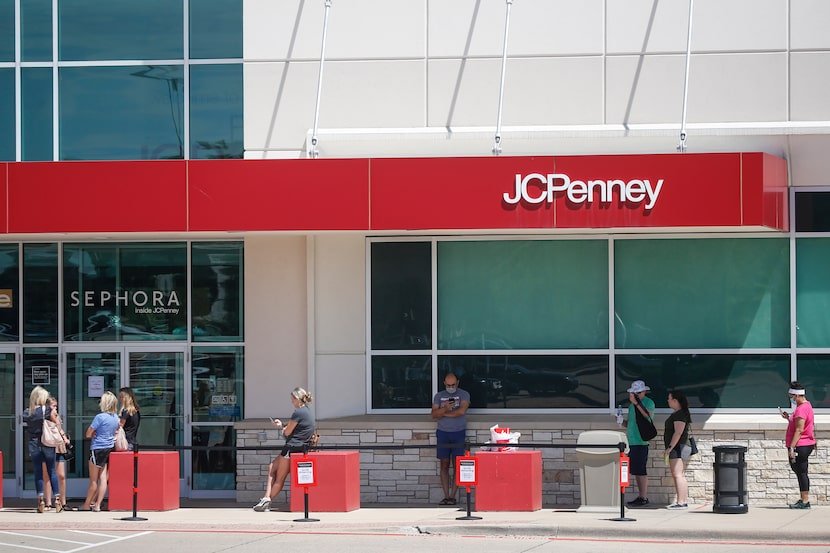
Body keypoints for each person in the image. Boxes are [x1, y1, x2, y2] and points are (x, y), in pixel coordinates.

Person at [253, 387, 316, 512]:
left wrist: (282, 429)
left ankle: (267, 500)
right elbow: (294, 428)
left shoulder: (298, 413)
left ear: (297, 399)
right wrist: (281, 425)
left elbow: (287, 432)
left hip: (291, 448)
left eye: (292, 399)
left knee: (279, 478)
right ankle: (266, 498)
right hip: (296, 447)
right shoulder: (306, 412)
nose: (291, 401)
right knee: (272, 467)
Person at [431, 372, 470, 506]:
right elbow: (434, 415)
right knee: (444, 464)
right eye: (448, 385)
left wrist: (443, 413)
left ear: (457, 383)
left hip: (458, 432)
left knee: (457, 464)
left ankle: (453, 496)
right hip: (443, 433)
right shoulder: (439, 396)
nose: (451, 387)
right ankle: (446, 496)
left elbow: (461, 412)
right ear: (444, 384)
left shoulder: (464, 394)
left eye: (453, 385)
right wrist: (446, 408)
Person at [80, 391, 120, 512]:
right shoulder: (115, 418)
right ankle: (97, 505)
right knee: (103, 478)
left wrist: (94, 434)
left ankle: (87, 505)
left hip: (97, 448)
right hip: (109, 448)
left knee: (93, 480)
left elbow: (88, 433)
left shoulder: (100, 417)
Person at [24, 386, 61, 513]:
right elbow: (56, 422)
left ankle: (41, 499)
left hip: (34, 443)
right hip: (47, 442)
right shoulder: (46, 410)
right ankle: (57, 499)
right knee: (51, 471)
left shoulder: (27, 412)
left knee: (38, 472)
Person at [781, 381, 816, 509]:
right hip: (804, 444)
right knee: (800, 471)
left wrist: (792, 447)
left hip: (801, 445)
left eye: (792, 397)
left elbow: (799, 430)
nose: (792, 400)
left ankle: (805, 501)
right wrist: (789, 418)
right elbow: (800, 424)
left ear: (797, 396)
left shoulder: (801, 409)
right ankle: (803, 499)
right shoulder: (807, 406)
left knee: (801, 472)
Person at [622, 380, 655, 507]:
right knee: (635, 470)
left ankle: (643, 496)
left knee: (640, 469)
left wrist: (637, 403)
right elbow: (630, 423)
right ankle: (641, 496)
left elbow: (648, 415)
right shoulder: (631, 406)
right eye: (634, 393)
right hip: (631, 441)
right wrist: (620, 421)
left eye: (639, 393)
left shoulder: (648, 402)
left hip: (641, 441)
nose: (636, 395)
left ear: (644, 392)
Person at [663, 389, 692, 510]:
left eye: (669, 399)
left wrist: (669, 448)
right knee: (680, 474)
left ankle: (681, 502)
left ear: (675, 400)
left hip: (678, 447)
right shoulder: (681, 413)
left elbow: (678, 432)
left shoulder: (679, 414)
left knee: (677, 474)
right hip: (681, 447)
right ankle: (682, 501)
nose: (668, 401)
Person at [42, 395, 70, 512]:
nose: (55, 409)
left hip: (58, 446)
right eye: (53, 406)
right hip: (47, 445)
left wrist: (65, 439)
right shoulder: (43, 417)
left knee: (61, 475)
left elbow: (59, 428)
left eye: (56, 407)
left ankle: (62, 502)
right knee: (47, 475)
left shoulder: (56, 417)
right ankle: (48, 502)